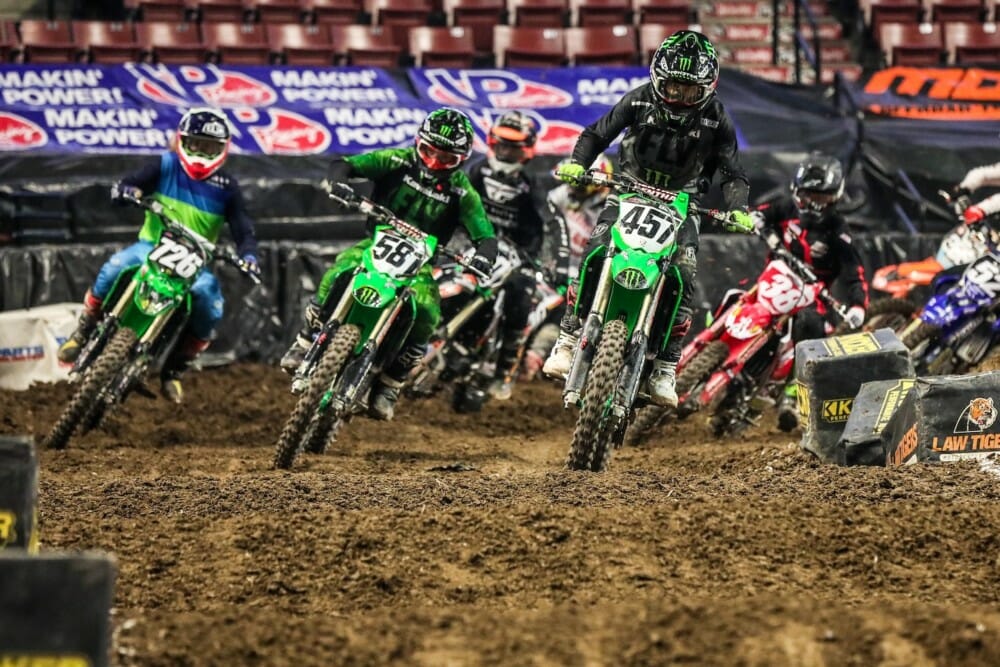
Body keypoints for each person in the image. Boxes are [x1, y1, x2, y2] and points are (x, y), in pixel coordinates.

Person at [542, 29, 756, 407]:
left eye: (689, 92)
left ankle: (666, 366)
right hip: (629, 190)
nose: (678, 98)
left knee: (684, 273)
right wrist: (578, 164)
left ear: (708, 88)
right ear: (658, 79)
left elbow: (732, 172)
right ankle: (568, 338)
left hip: (682, 203)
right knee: (595, 252)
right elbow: (596, 134)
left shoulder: (716, 117)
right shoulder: (639, 99)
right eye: (672, 88)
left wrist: (738, 208)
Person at [279, 107, 497, 421]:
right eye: (429, 152)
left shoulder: (463, 192)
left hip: (420, 264)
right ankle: (305, 339)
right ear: (418, 143)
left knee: (427, 310)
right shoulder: (395, 160)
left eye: (446, 159)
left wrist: (484, 256)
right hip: (375, 244)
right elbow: (346, 165)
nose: (435, 164)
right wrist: (338, 184)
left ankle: (390, 383)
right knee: (340, 269)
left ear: (461, 159)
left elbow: (485, 234)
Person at [57, 107, 260, 404]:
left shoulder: (227, 187)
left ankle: (174, 370)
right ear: (182, 141)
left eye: (210, 148)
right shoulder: (165, 165)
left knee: (210, 305)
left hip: (195, 260)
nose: (202, 153)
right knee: (115, 267)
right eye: (196, 145)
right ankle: (84, 330)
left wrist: (249, 256)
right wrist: (127, 192)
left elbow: (243, 227)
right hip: (152, 245)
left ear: (223, 149)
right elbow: (129, 183)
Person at [754, 152, 868, 431]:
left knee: (810, 323)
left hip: (812, 297)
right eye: (809, 196)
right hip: (774, 284)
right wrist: (754, 219)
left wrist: (858, 306)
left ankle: (794, 394)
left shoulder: (838, 230)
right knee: (734, 298)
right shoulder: (785, 209)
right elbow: (759, 214)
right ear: (796, 191)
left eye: (823, 198)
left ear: (836, 197)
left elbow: (855, 274)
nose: (814, 204)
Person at [464, 110, 570, 400]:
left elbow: (555, 222)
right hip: (477, 248)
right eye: (502, 145)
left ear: (527, 150)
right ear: (492, 143)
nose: (506, 152)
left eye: (514, 147)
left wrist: (559, 264)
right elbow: (455, 203)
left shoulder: (531, 184)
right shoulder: (476, 171)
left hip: (520, 258)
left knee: (520, 299)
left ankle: (503, 371)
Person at [522, 154, 614, 380]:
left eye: (582, 188)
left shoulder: (612, 209)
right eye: (572, 186)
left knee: (569, 313)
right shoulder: (561, 195)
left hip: (588, 274)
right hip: (550, 266)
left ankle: (539, 355)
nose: (574, 192)